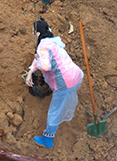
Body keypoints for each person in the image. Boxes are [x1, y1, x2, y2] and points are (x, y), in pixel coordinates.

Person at [25, 19, 84, 148]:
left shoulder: (42, 46)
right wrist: (31, 71)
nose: (32, 34)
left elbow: (45, 65)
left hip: (65, 82)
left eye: (33, 32)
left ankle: (47, 140)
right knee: (62, 102)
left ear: (38, 34)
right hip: (77, 75)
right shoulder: (52, 41)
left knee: (55, 111)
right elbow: (42, 58)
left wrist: (37, 61)